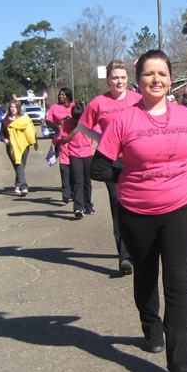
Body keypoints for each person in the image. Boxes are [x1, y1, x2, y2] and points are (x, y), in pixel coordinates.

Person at [90, 50, 187, 372]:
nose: (156, 79)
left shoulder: (186, 116)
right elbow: (99, 166)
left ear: (171, 79)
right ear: (138, 81)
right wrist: (134, 174)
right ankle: (151, 328)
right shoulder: (124, 120)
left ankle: (182, 362)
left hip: (181, 209)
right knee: (144, 276)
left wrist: (180, 171)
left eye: (162, 74)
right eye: (148, 74)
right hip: (136, 213)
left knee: (177, 281)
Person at [79, 60, 142, 275]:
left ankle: (142, 249)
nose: (119, 81)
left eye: (123, 77)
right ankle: (124, 256)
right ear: (108, 80)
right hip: (113, 160)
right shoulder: (98, 102)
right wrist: (102, 139)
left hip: (138, 159)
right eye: (115, 78)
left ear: (128, 79)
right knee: (118, 206)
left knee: (142, 203)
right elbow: (82, 125)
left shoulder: (138, 99)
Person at [59, 104, 94, 218]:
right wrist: (74, 131)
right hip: (74, 154)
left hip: (88, 153)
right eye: (75, 119)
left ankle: (88, 205)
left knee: (87, 181)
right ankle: (78, 208)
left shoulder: (89, 122)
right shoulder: (67, 124)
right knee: (78, 180)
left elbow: (98, 134)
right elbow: (63, 140)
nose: (77, 121)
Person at [1, 100, 39, 196]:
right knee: (18, 165)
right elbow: (1, 133)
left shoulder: (24, 118)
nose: (12, 109)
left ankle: (18, 184)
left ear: (18, 108)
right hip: (11, 147)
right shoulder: (6, 120)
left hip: (23, 146)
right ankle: (24, 187)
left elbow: (30, 130)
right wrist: (5, 140)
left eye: (14, 107)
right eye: (11, 107)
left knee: (21, 166)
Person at [46, 88, 75, 205]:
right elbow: (48, 120)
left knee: (74, 169)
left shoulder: (74, 106)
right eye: (60, 95)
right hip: (60, 139)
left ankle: (73, 192)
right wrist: (57, 128)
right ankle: (66, 194)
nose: (61, 97)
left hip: (73, 140)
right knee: (64, 168)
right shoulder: (54, 107)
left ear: (68, 96)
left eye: (63, 95)